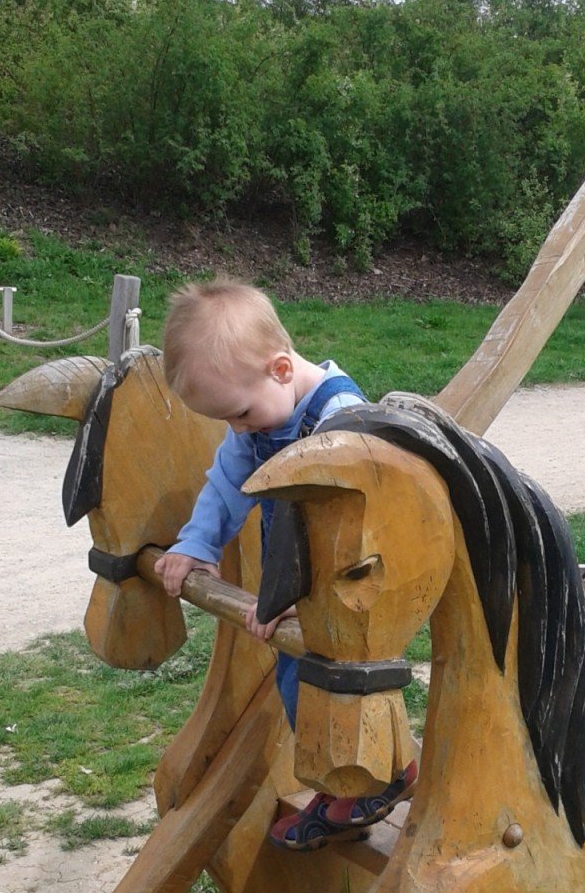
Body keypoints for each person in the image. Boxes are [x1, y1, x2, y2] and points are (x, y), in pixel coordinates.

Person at [153, 277, 416, 849]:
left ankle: (382, 775)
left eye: (241, 415)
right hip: (304, 599)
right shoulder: (263, 419)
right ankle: (346, 781)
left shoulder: (340, 422)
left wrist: (300, 595)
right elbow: (226, 484)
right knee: (299, 678)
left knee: (337, 681)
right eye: (227, 421)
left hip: (348, 592)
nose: (238, 430)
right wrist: (196, 543)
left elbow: (351, 532)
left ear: (279, 369)